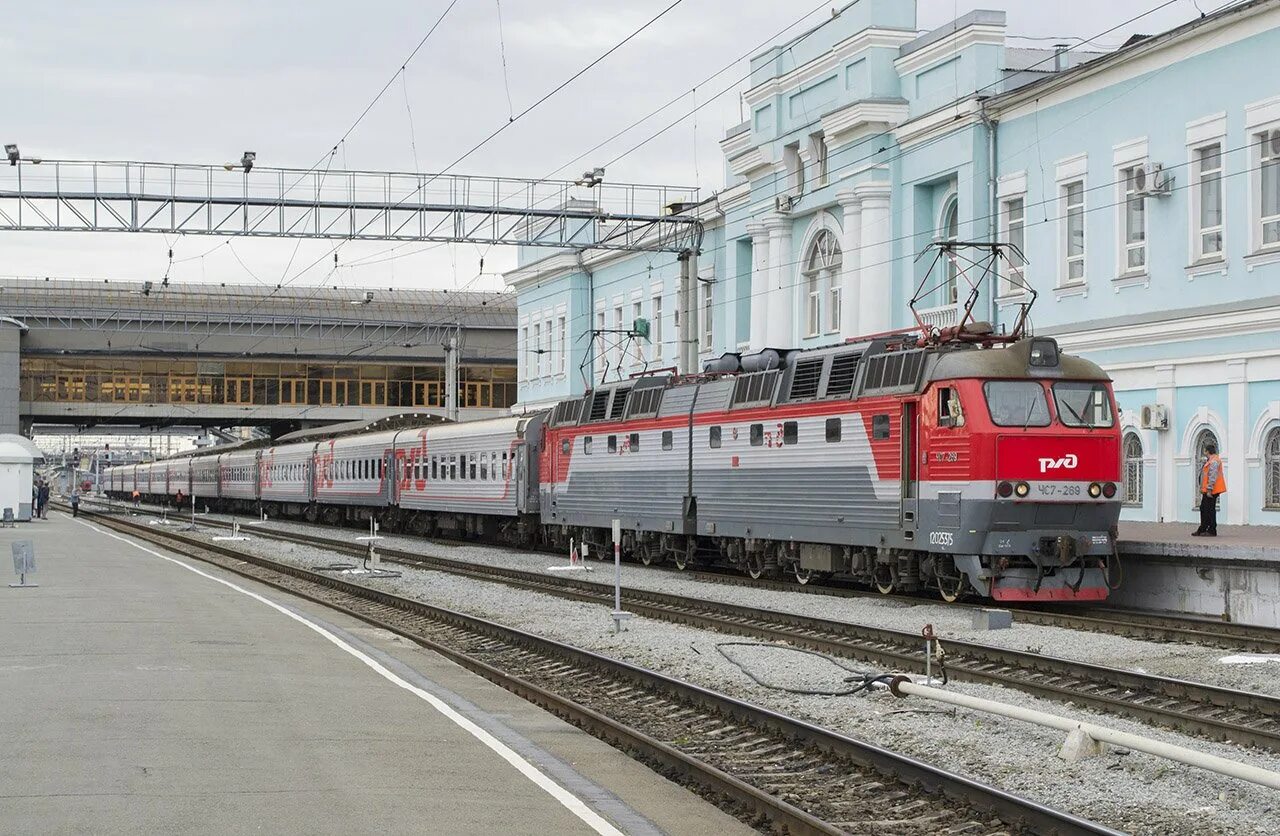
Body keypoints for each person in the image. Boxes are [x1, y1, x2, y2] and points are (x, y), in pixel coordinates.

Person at [1193, 443, 1227, 537]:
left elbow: (1212, 476)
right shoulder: (1211, 460)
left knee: (1209, 509)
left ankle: (1211, 530)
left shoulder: (1214, 461)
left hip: (1212, 491)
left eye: (1204, 450)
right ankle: (1204, 528)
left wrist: (1209, 490)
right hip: (1209, 490)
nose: (1204, 452)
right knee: (1205, 508)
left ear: (1207, 451)